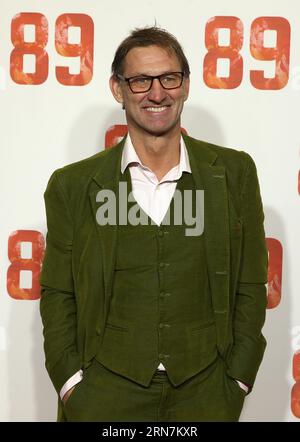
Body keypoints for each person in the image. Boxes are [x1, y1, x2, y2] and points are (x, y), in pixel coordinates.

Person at [39, 26, 268, 422]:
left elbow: (250, 284)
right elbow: (58, 292)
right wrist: (71, 384)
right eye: (141, 80)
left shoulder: (234, 173)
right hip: (104, 395)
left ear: (186, 85)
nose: (157, 93)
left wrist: (238, 380)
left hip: (206, 394)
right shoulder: (72, 185)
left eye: (169, 78)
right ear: (118, 88)